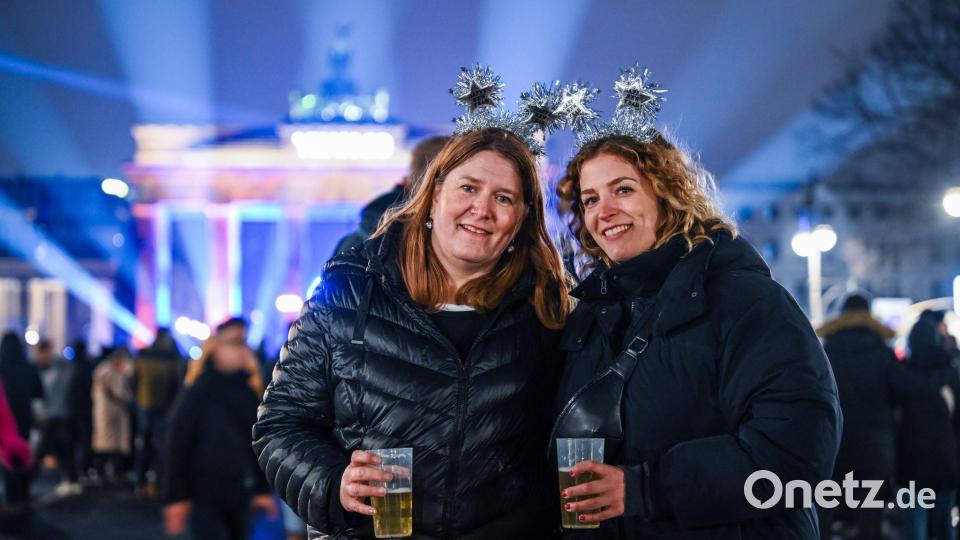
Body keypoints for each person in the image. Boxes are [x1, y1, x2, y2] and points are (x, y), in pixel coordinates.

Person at [551, 73, 841, 538]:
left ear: (666, 193)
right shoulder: (590, 315)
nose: (604, 211)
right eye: (590, 199)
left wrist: (645, 489)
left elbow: (799, 449)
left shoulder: (745, 301)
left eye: (623, 189)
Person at [254, 123, 571, 539]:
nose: (482, 209)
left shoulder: (548, 310)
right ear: (434, 194)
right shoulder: (350, 290)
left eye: (504, 197)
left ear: (523, 216)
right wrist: (334, 482)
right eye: (468, 188)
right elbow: (281, 424)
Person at [817, 293, 930, 539]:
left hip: (834, 445)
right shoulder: (883, 354)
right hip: (874, 450)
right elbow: (908, 389)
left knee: (826, 513)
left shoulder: (825, 354)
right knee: (870, 521)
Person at [163, 317, 276, 540]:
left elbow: (257, 443)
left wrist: (261, 489)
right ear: (216, 347)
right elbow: (177, 444)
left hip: (240, 494)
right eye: (234, 342)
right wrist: (177, 497)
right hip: (203, 494)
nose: (241, 350)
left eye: (243, 342)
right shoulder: (197, 393)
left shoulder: (249, 393)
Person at [331, 135, 451, 257]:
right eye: (462, 186)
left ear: (407, 178)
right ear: (438, 189)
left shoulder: (350, 243)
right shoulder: (437, 246)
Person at [898, 309, 960, 540]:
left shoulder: (901, 373)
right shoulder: (950, 373)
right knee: (944, 523)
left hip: (910, 460)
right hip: (944, 457)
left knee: (915, 526)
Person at [133, 328, 183, 497]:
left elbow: (133, 382)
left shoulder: (143, 358)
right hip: (166, 408)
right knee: (163, 446)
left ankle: (141, 482)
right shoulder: (172, 359)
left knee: (144, 444)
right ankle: (159, 482)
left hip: (144, 406)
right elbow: (177, 386)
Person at [0, 332, 43, 508]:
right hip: (24, 417)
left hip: (4, 420)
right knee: (23, 452)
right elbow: (39, 392)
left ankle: (12, 495)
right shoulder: (29, 367)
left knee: (6, 454)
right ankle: (24, 491)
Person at [34, 339, 81, 496]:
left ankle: (26, 481)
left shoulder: (61, 368)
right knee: (61, 448)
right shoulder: (46, 368)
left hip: (57, 414)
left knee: (50, 449)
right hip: (52, 414)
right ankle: (71, 479)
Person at [91, 347, 133, 484]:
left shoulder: (104, 370)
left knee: (107, 444)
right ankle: (103, 472)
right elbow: (120, 392)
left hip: (107, 412)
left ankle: (104, 472)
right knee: (108, 445)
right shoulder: (108, 372)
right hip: (109, 413)